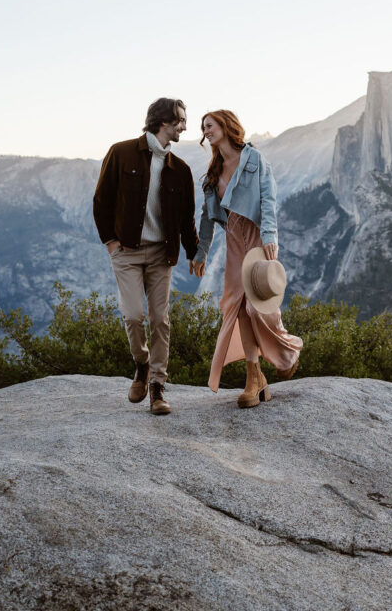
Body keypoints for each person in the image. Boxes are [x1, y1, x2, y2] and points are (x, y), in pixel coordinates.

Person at [93, 98, 199, 415]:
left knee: (160, 320)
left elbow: (186, 220)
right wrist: (111, 242)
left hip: (160, 255)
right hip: (125, 251)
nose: (184, 126)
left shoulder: (180, 170)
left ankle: (157, 387)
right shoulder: (121, 153)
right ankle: (141, 364)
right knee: (133, 316)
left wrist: (195, 252)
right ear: (163, 121)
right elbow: (101, 201)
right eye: (180, 120)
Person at [190, 110, 302, 407]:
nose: (206, 131)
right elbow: (206, 217)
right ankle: (254, 378)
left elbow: (268, 199)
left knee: (258, 307)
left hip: (255, 237)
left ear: (225, 126)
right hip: (233, 241)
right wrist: (201, 251)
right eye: (203, 128)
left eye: (209, 125)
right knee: (240, 309)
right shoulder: (214, 171)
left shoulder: (254, 159)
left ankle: (288, 349)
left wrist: (270, 237)